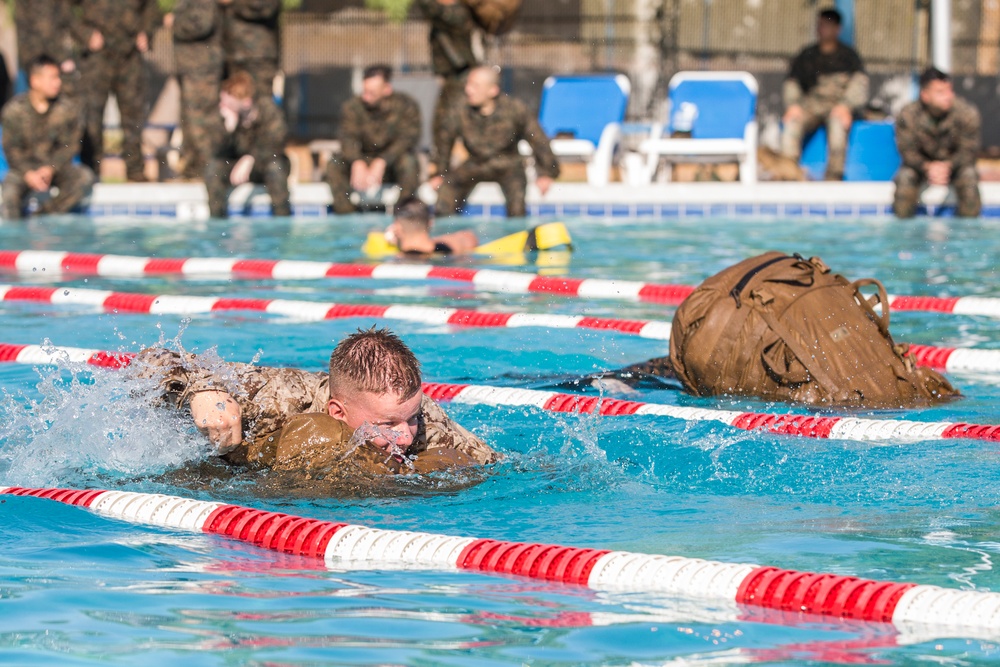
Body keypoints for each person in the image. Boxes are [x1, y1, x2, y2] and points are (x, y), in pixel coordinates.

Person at [133, 328, 499, 479]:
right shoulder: (282, 396)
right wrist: (205, 393)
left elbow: (498, 467)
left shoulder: (427, 424)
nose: (404, 436)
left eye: (411, 419)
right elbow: (148, 362)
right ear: (338, 410)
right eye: (387, 425)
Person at [429, 65, 559, 218]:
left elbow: (538, 140)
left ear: (493, 90)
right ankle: (445, 236)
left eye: (475, 86)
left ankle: (517, 236)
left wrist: (546, 173)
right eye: (468, 85)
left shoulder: (514, 109)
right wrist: (439, 173)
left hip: (508, 165)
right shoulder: (460, 109)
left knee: (517, 209)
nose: (468, 90)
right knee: (445, 198)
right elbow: (445, 141)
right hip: (475, 164)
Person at [74, 0, 162, 181]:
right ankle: (91, 171)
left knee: (133, 116)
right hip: (97, 57)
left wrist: (147, 32)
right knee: (92, 117)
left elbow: (152, 8)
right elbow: (64, 10)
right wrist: (84, 34)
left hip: (130, 55)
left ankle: (135, 170)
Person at [780, 8, 868, 181]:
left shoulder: (849, 57)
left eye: (826, 25)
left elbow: (859, 84)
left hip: (837, 107)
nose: (821, 29)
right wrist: (793, 105)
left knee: (837, 126)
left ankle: (833, 179)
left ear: (837, 29)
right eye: (819, 25)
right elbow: (792, 82)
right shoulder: (807, 54)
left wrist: (846, 106)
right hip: (811, 107)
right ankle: (788, 174)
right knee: (792, 123)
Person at [2, 56, 93, 219]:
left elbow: (70, 146)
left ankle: (43, 217)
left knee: (85, 178)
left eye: (58, 77)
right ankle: (15, 237)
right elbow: (11, 149)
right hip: (24, 171)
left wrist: (50, 168)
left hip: (55, 168)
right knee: (8, 194)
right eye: (52, 78)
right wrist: (28, 174)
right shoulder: (13, 111)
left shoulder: (68, 110)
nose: (58, 82)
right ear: (35, 80)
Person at [326, 65, 422, 214]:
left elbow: (408, 139)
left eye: (371, 93)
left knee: (409, 163)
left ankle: (402, 215)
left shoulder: (406, 105)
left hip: (392, 163)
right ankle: (346, 216)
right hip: (363, 162)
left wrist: (383, 160)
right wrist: (357, 161)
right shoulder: (352, 107)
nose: (366, 97)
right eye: (364, 91)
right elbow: (347, 137)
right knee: (335, 164)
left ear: (386, 90)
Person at [893, 67, 981, 219]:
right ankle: (905, 234)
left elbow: (969, 150)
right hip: (921, 167)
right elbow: (907, 151)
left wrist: (948, 166)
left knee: (970, 177)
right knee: (904, 178)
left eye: (949, 90)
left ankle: (967, 235)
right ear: (925, 96)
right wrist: (927, 167)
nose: (948, 96)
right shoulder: (907, 115)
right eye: (940, 92)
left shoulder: (966, 113)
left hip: (955, 167)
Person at [205, 71, 290, 218]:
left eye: (228, 102)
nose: (223, 105)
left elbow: (277, 141)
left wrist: (251, 158)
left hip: (264, 164)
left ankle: (282, 223)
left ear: (246, 102)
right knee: (213, 169)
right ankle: (217, 223)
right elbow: (214, 152)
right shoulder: (225, 116)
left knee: (276, 168)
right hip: (236, 168)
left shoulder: (268, 111)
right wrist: (228, 129)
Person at [415, 0, 479, 160]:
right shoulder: (448, 13)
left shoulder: (458, 13)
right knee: (442, 125)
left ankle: (448, 168)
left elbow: (429, 7)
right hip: (451, 78)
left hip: (462, 76)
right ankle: (442, 167)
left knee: (449, 125)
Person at [168, 0, 224, 180]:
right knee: (189, 120)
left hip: (202, 67)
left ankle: (207, 169)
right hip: (190, 67)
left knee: (201, 121)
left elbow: (202, 24)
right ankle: (192, 169)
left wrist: (175, 22)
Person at [15, 0, 78, 99]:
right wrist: (31, 63)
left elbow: (68, 19)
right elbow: (22, 30)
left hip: (58, 60)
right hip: (32, 61)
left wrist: (64, 57)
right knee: (25, 102)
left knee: (64, 101)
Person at [221, 0, 281, 101]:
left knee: (262, 104)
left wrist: (233, 2)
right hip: (226, 54)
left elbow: (266, 7)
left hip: (257, 57)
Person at [387, 196, 478, 256]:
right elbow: (469, 237)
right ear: (430, 223)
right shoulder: (447, 249)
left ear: (397, 228)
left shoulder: (397, 260)